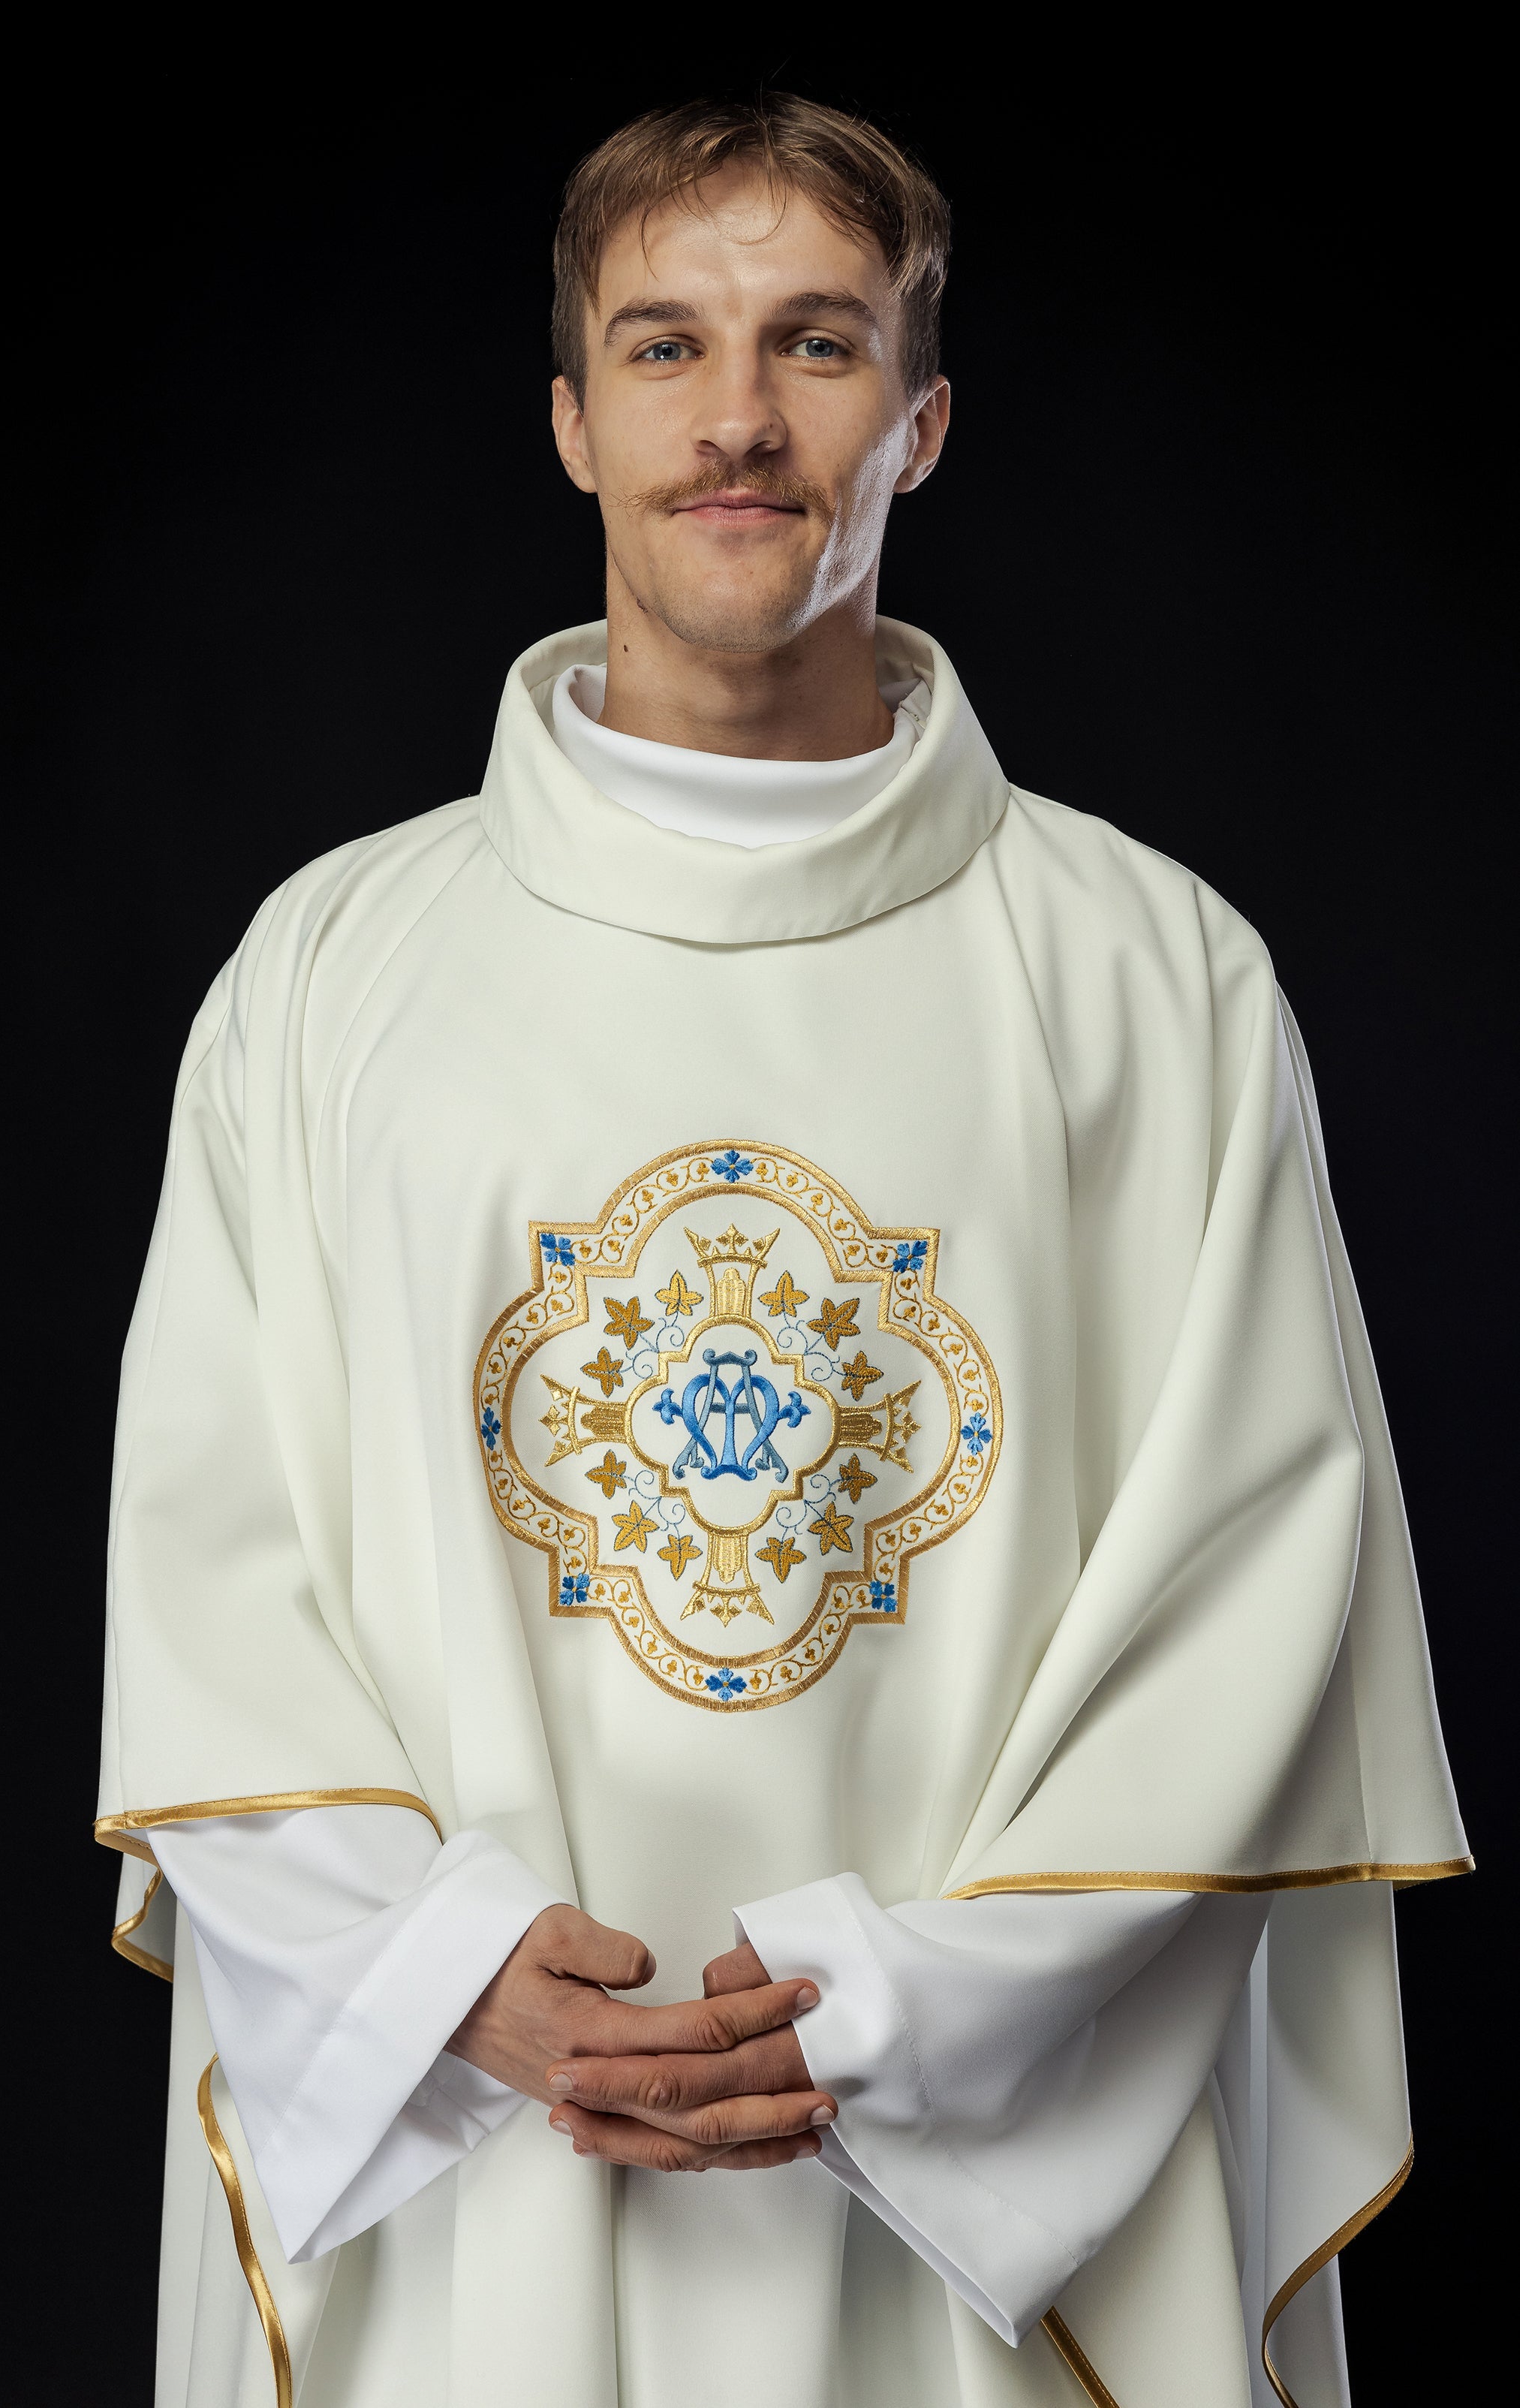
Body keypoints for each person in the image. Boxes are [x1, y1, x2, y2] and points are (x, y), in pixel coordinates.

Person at [97, 94, 1468, 2408]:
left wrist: (905, 2014)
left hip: (965, 2162)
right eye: (665, 347)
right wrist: (449, 1976)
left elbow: (1256, 1592)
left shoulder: (1153, 977)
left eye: (817, 346)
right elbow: (209, 1573)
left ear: (918, 422)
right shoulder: (329, 969)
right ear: (569, 420)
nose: (738, 420)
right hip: (484, 2163)